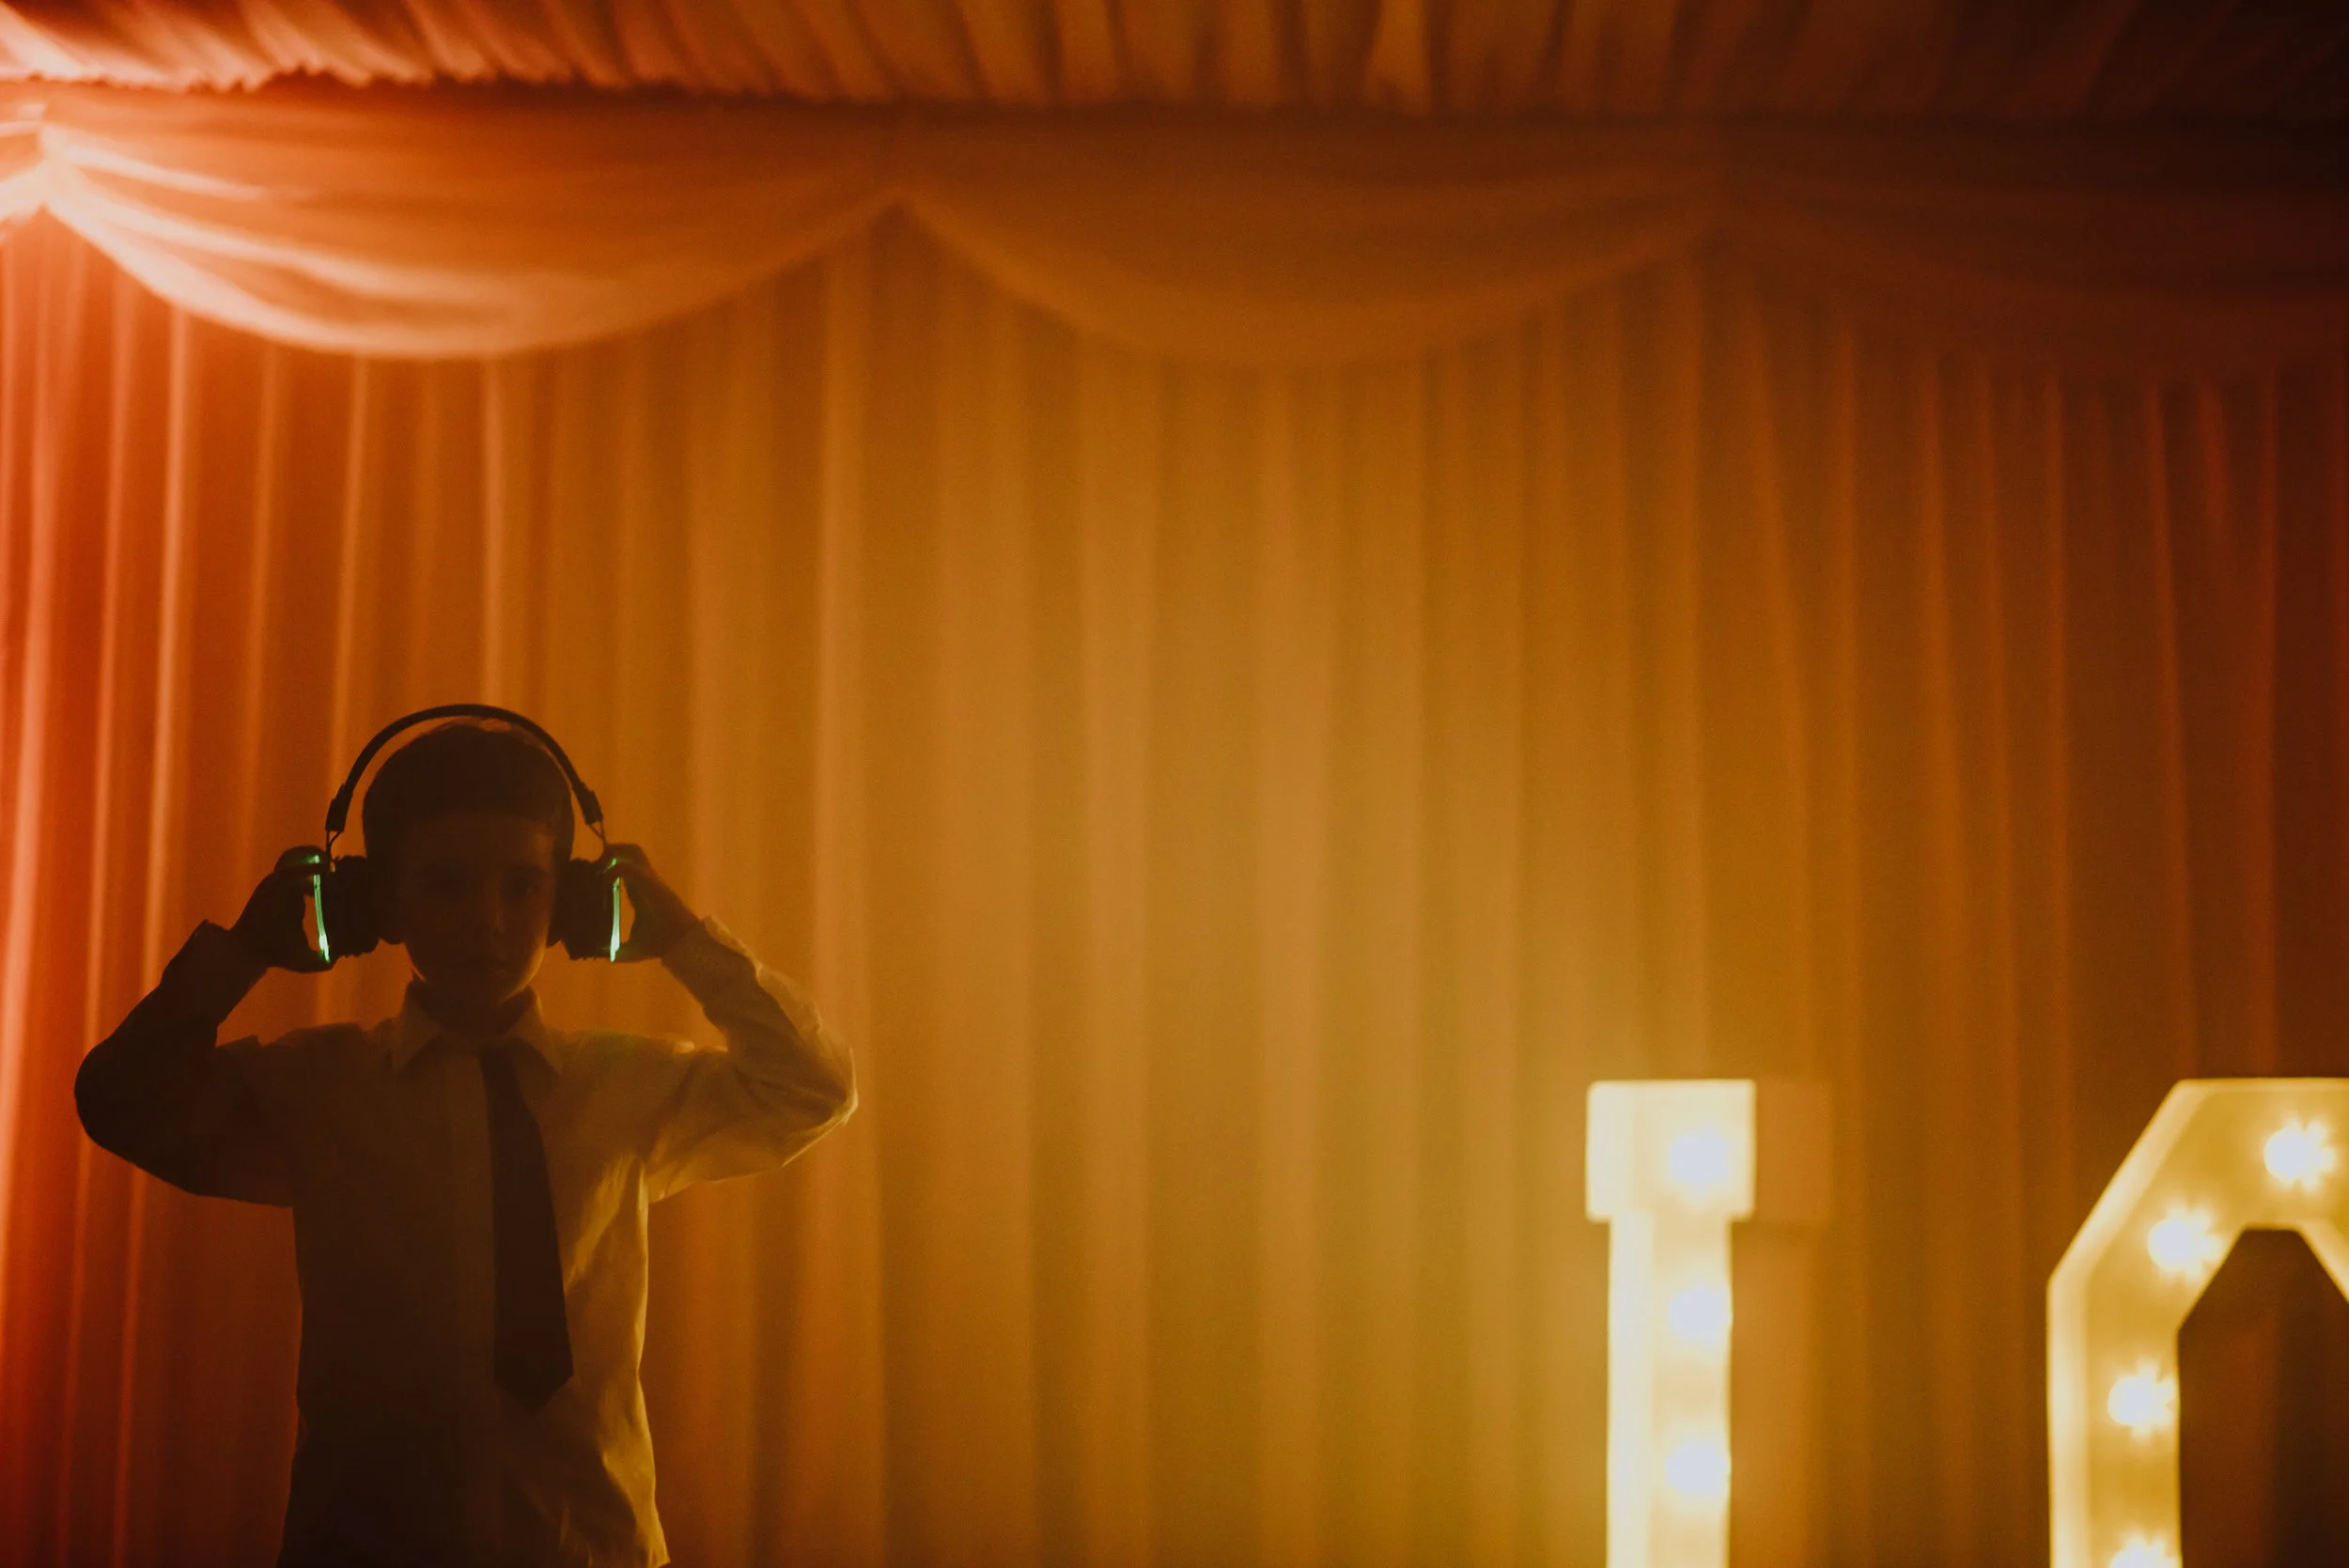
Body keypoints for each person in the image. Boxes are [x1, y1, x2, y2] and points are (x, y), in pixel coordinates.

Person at [74, 718, 855, 1567]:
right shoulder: (321, 1089)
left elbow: (810, 1086)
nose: (486, 917)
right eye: (444, 884)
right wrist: (242, 953)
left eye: (523, 886)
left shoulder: (629, 1090)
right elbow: (121, 1100)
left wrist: (688, 941)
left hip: (593, 1546)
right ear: (380, 905)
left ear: (572, 902)